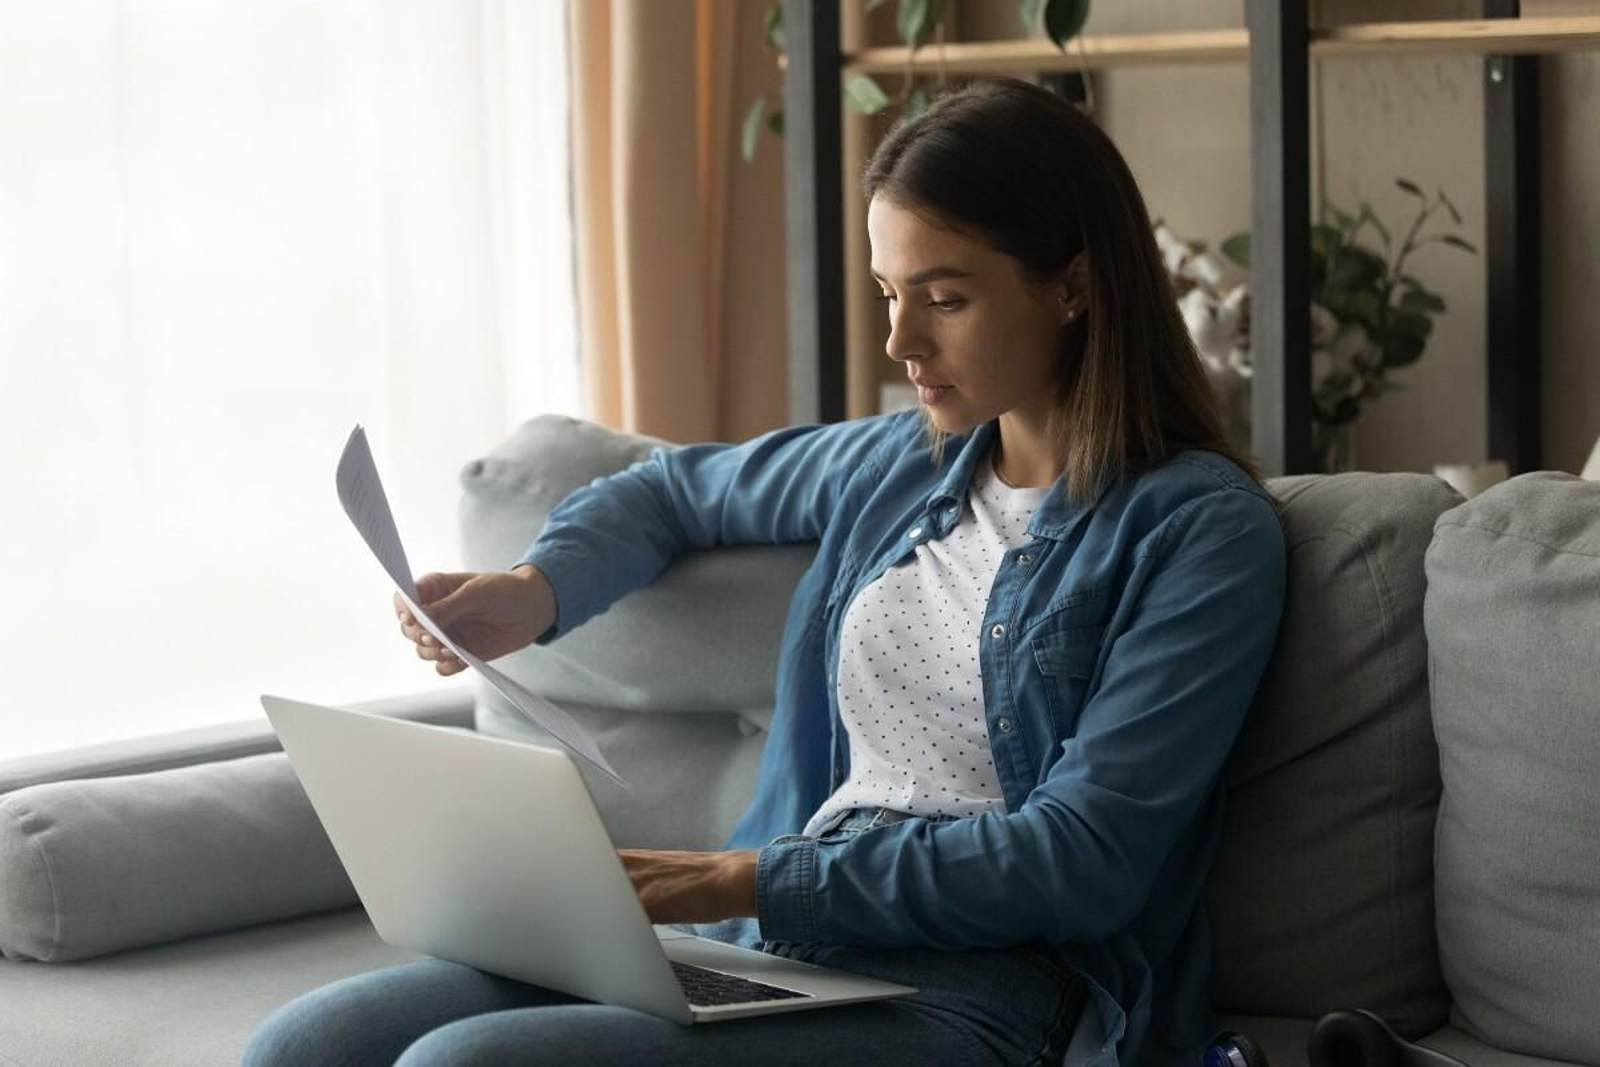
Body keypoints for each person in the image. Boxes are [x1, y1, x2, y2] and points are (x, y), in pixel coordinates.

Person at [243, 76, 1286, 1067]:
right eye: (887, 292)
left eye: (944, 298)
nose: (899, 340)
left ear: (1073, 284)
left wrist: (724, 876)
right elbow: (666, 490)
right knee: (306, 1045)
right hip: (777, 948)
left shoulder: (1198, 533)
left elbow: (1080, 859)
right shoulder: (895, 460)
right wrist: (535, 590)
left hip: (992, 986)